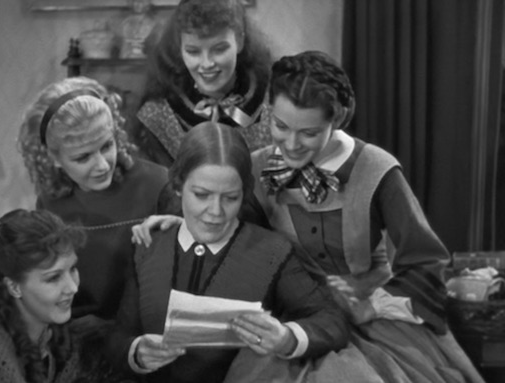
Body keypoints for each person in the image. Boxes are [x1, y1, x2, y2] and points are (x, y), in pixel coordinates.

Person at [133, 51, 487, 382]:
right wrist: (185, 225)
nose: (290, 144)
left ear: (337, 119)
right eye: (281, 126)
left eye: (309, 133)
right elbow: (232, 225)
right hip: (295, 319)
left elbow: (426, 260)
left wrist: (371, 304)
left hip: (371, 322)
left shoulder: (375, 168)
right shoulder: (257, 167)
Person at [108, 122, 349, 383]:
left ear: (244, 194)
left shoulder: (272, 251)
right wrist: (137, 353)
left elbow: (332, 322)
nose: (216, 211)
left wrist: (286, 338)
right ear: (178, 187)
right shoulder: (148, 246)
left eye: (230, 198)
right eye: (202, 195)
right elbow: (118, 339)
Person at [17, 76, 168, 320]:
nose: (102, 165)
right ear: (53, 158)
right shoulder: (49, 204)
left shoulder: (158, 185)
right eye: (83, 157)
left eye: (107, 146)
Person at [0, 209, 126, 383]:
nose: (73, 287)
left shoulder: (55, 337)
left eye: (72, 269)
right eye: (53, 278)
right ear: (14, 287)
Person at [136, 0, 273, 167]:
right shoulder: (159, 114)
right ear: (180, 48)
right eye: (193, 51)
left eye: (219, 49)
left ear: (239, 41)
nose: (207, 63)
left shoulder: (272, 102)